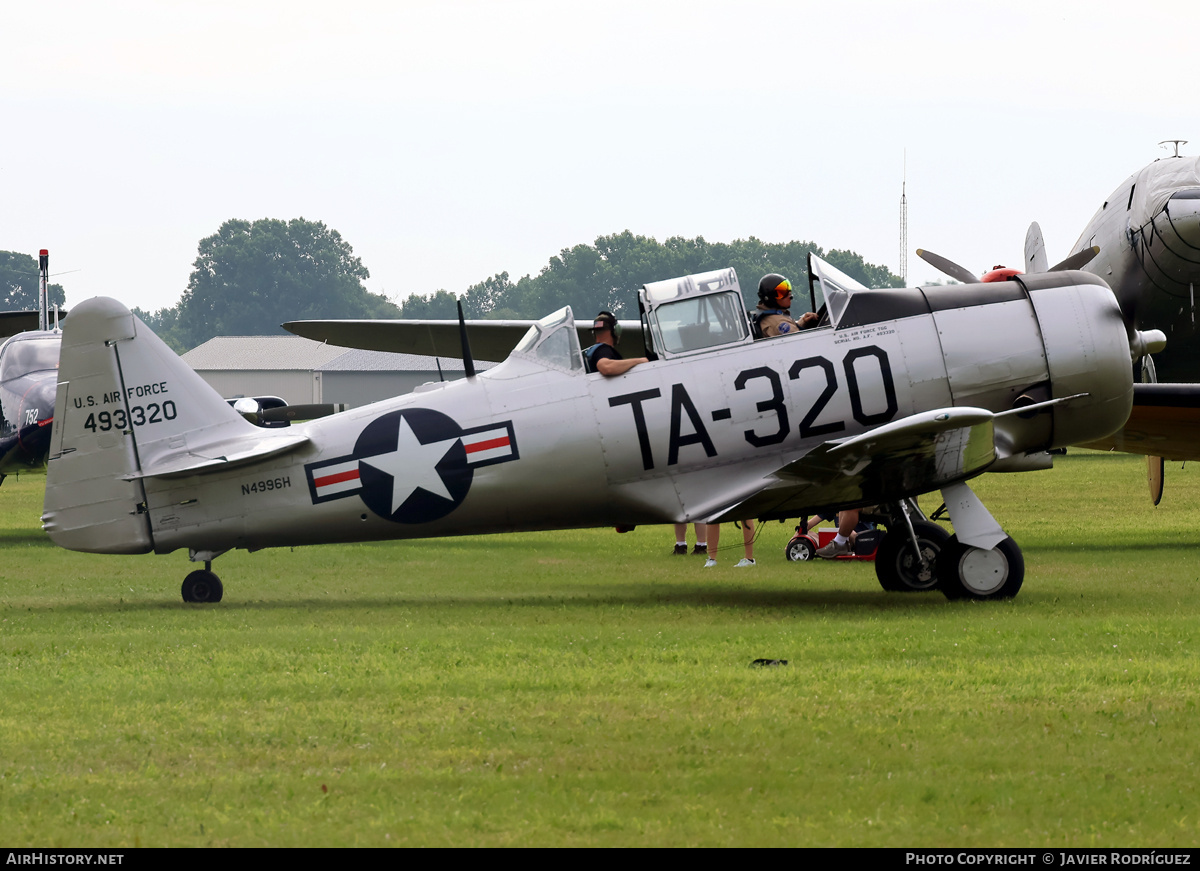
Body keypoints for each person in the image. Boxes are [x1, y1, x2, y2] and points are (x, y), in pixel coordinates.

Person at [583, 311, 648, 376]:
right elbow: (606, 367)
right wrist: (639, 361)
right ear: (616, 331)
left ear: (594, 333)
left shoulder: (592, 351)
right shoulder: (604, 350)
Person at [754, 274, 818, 338]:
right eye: (782, 292)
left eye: (788, 288)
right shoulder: (778, 323)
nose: (789, 295)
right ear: (770, 298)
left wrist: (802, 322)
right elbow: (802, 340)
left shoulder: (770, 317)